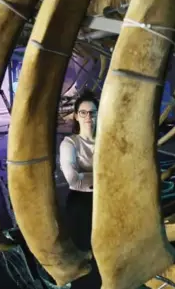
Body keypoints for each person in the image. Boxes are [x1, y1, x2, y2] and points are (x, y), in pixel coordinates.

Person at [59, 90, 98, 250]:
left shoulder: (107, 141)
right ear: (75, 116)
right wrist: (107, 177)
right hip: (82, 202)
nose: (88, 116)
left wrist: (86, 176)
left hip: (107, 198)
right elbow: (74, 180)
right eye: (83, 112)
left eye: (92, 112)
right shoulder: (70, 144)